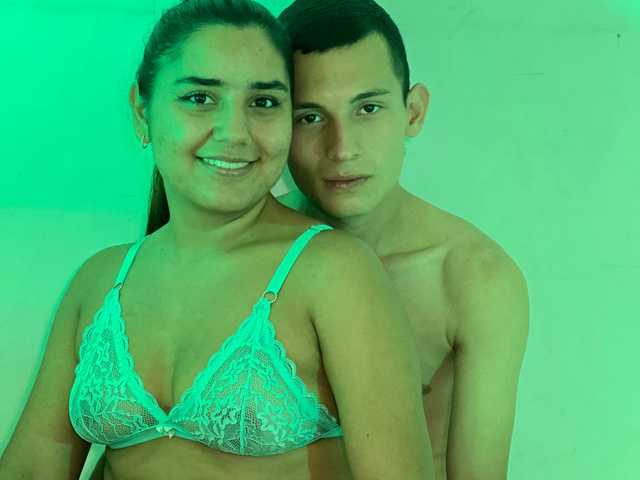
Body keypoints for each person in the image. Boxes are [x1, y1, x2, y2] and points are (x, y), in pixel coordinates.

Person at [0, 1, 434, 479]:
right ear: (142, 111)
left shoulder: (333, 272)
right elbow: (31, 468)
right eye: (200, 97)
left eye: (263, 102)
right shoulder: (100, 281)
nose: (234, 133)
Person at [275, 1, 531, 479]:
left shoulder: (473, 278)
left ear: (413, 112)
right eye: (309, 117)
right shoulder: (251, 250)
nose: (342, 148)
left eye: (368, 109)